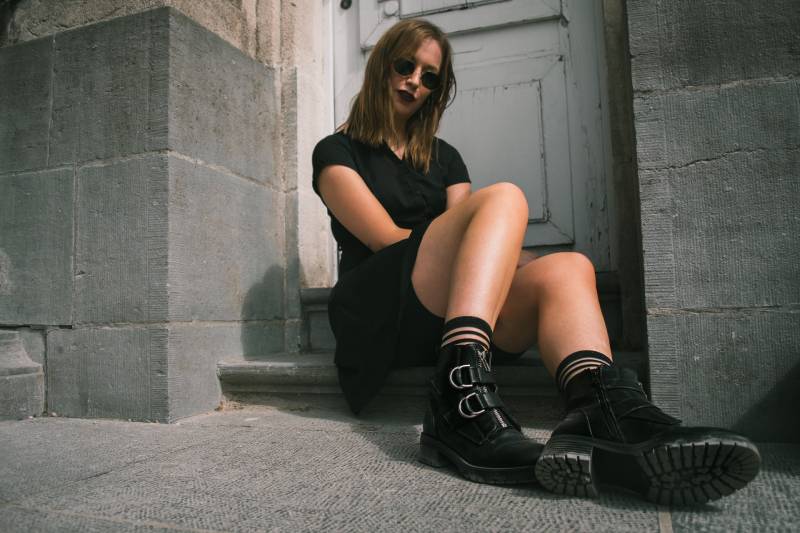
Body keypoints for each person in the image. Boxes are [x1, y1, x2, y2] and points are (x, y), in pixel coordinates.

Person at [311, 18, 760, 505]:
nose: (415, 81)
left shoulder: (445, 159)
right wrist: (489, 243)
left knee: (569, 269)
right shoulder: (337, 151)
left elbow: (473, 238)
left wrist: (505, 256)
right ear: (382, 66)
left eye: (430, 76)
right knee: (503, 199)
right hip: (379, 304)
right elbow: (386, 240)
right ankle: (456, 397)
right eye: (405, 66)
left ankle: (602, 409)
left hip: (443, 308)